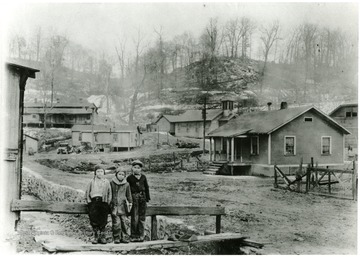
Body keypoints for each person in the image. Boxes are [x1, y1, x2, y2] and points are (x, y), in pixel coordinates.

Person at [85, 165, 112, 244]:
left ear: (104, 173)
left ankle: (102, 236)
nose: (99, 173)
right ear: (95, 173)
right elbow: (87, 192)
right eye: (98, 171)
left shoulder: (106, 182)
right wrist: (89, 202)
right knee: (94, 219)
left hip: (103, 202)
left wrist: (108, 202)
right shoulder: (91, 181)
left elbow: (110, 193)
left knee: (103, 219)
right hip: (94, 202)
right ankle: (96, 236)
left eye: (101, 171)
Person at [127, 160, 150, 242]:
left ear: (141, 169)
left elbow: (146, 187)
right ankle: (133, 235)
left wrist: (147, 198)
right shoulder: (129, 178)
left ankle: (141, 235)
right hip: (134, 198)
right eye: (135, 167)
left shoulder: (143, 177)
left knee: (142, 217)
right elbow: (127, 189)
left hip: (142, 198)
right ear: (132, 168)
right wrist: (129, 200)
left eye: (138, 168)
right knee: (134, 217)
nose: (136, 169)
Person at [110, 169, 133, 244]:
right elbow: (109, 193)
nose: (121, 176)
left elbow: (128, 195)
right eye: (119, 174)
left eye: (123, 175)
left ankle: (124, 237)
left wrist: (130, 202)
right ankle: (116, 237)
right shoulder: (112, 183)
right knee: (116, 223)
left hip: (123, 207)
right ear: (116, 174)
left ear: (124, 176)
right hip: (115, 206)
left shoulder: (126, 184)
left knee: (124, 222)